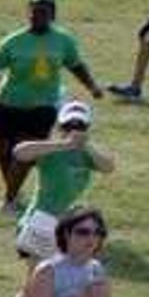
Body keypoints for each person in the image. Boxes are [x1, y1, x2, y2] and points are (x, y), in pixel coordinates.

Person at [0, 0, 98, 203]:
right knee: (3, 154)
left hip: (41, 107)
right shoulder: (14, 41)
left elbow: (76, 65)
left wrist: (92, 86)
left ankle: (10, 198)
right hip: (6, 104)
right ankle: (13, 192)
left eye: (42, 12)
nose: (36, 16)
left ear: (52, 16)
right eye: (33, 12)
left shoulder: (63, 41)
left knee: (24, 156)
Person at [12, 104, 113, 265]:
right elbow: (19, 152)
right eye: (68, 126)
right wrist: (63, 144)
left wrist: (86, 145)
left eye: (80, 126)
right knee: (42, 278)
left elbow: (108, 167)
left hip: (67, 224)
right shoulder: (51, 150)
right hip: (39, 222)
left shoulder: (88, 154)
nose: (74, 130)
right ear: (59, 127)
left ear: (87, 128)